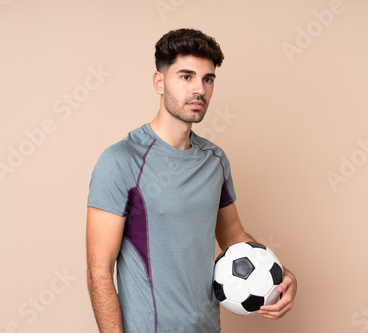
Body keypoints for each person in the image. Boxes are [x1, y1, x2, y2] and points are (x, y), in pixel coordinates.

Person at [86, 28, 297, 333]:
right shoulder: (121, 161)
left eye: (207, 79)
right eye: (186, 76)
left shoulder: (215, 160)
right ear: (160, 82)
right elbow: (98, 271)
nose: (199, 89)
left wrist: (283, 275)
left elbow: (234, 235)